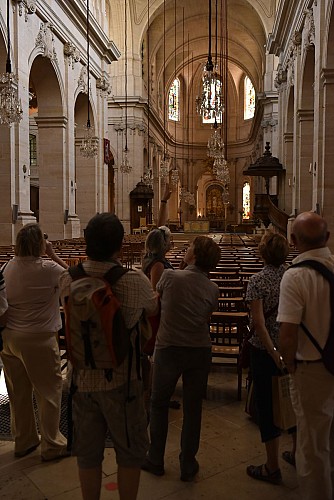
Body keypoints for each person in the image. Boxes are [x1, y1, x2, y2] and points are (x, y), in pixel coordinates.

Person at [59, 213, 158, 500]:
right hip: (122, 382)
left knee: (88, 455)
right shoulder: (134, 281)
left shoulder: (68, 278)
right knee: (129, 453)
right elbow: (152, 310)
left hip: (80, 380)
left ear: (88, 243)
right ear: (119, 244)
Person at [142, 236, 221, 481]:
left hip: (169, 347)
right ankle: (187, 463)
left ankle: (155, 459)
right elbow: (206, 317)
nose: (186, 250)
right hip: (199, 349)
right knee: (193, 407)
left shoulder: (170, 277)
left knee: (158, 404)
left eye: (189, 248)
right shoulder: (213, 288)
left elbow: (157, 304)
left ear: (193, 256)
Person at [0, 223, 69, 460]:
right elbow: (71, 278)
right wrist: (52, 253)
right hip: (38, 338)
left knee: (18, 392)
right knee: (48, 393)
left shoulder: (7, 266)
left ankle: (24, 439)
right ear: (40, 243)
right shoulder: (48, 268)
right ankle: (52, 444)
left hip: (9, 339)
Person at [278, 212, 334, 500]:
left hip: (311, 368)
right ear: (327, 238)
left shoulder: (296, 276)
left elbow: (287, 335)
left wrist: (290, 366)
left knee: (312, 449)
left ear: (293, 240)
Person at [245, 231, 296, 485]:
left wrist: (274, 354)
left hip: (266, 352)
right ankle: (297, 453)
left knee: (267, 406)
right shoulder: (294, 276)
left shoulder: (257, 280)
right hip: (294, 349)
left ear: (262, 253)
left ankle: (272, 466)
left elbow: (259, 323)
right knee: (292, 400)